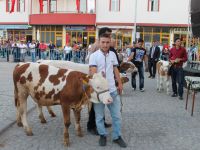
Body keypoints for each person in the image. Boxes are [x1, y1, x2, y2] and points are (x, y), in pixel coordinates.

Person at [89, 30, 127, 148]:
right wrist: (99, 78)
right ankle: (102, 135)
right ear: (99, 42)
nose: (105, 44)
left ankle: (117, 136)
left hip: (112, 90)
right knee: (99, 116)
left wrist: (119, 83)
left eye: (107, 42)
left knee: (117, 116)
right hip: (100, 93)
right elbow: (94, 73)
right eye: (103, 42)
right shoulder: (94, 56)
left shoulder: (112, 54)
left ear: (110, 43)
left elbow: (115, 69)